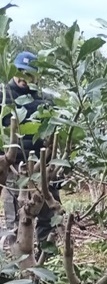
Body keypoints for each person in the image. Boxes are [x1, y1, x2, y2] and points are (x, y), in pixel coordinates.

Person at [1, 50, 58, 245]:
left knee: (48, 215)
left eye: (30, 73)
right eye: (21, 72)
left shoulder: (45, 99)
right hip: (14, 168)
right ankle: (14, 263)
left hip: (41, 167)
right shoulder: (3, 97)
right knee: (15, 218)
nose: (25, 78)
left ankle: (46, 257)